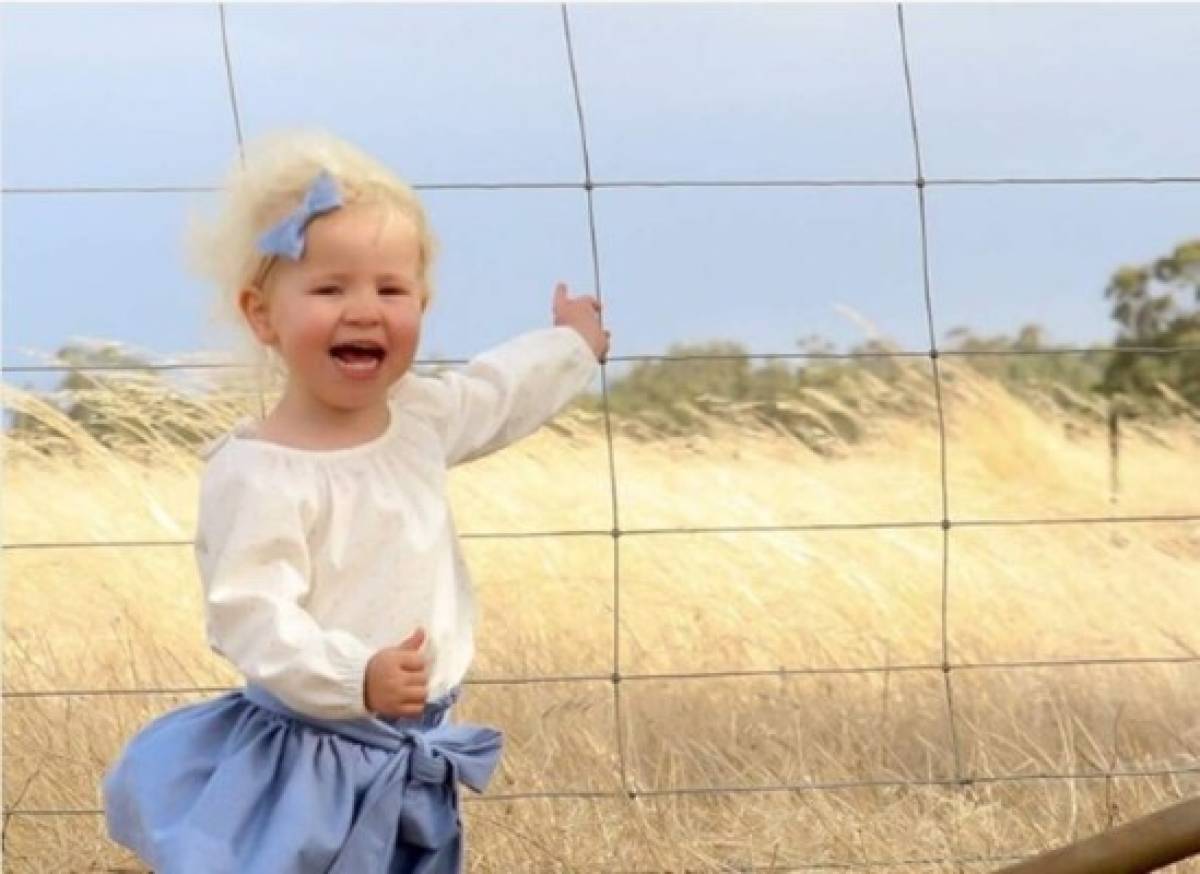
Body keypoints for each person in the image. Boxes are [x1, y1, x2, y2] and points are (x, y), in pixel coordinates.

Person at [101, 129, 611, 873]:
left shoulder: (421, 423)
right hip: (312, 757)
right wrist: (353, 678)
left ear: (422, 303)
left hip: (411, 746)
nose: (365, 311)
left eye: (391, 289)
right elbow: (252, 614)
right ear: (262, 314)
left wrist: (570, 347)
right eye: (331, 288)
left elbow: (498, 392)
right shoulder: (259, 474)